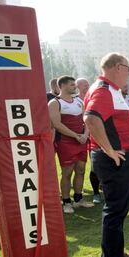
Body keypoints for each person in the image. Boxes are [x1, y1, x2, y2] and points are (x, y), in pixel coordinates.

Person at [83, 53, 129, 257]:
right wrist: (109, 149)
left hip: (119, 157)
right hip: (115, 159)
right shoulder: (103, 90)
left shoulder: (110, 90)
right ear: (118, 67)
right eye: (128, 68)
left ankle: (116, 254)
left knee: (118, 209)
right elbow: (91, 118)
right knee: (115, 210)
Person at [49, 75, 92, 214]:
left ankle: (78, 199)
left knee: (81, 170)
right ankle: (66, 202)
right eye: (72, 85)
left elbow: (87, 120)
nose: (75, 87)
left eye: (75, 84)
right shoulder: (54, 103)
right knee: (67, 172)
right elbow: (57, 124)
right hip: (65, 142)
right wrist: (75, 136)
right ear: (62, 86)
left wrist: (85, 135)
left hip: (81, 140)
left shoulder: (79, 101)